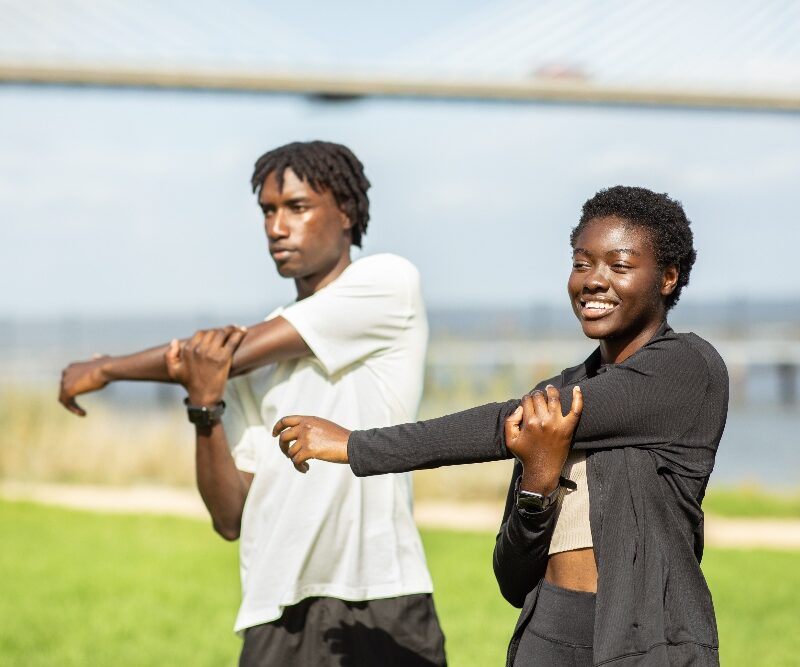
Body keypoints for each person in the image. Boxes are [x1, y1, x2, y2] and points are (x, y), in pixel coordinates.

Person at [273, 186, 729, 666]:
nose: (594, 281)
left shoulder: (687, 368)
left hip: (647, 641)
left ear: (668, 278)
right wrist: (538, 479)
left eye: (619, 266)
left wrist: (356, 445)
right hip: (545, 635)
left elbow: (500, 423)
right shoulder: (554, 398)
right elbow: (512, 581)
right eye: (581, 263)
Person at [58, 141, 446, 666]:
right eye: (268, 211)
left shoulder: (386, 283)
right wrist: (204, 405)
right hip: (274, 607)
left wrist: (105, 368)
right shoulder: (238, 360)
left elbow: (223, 355)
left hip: (383, 593)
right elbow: (228, 517)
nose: (276, 227)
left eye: (297, 207)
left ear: (347, 212)